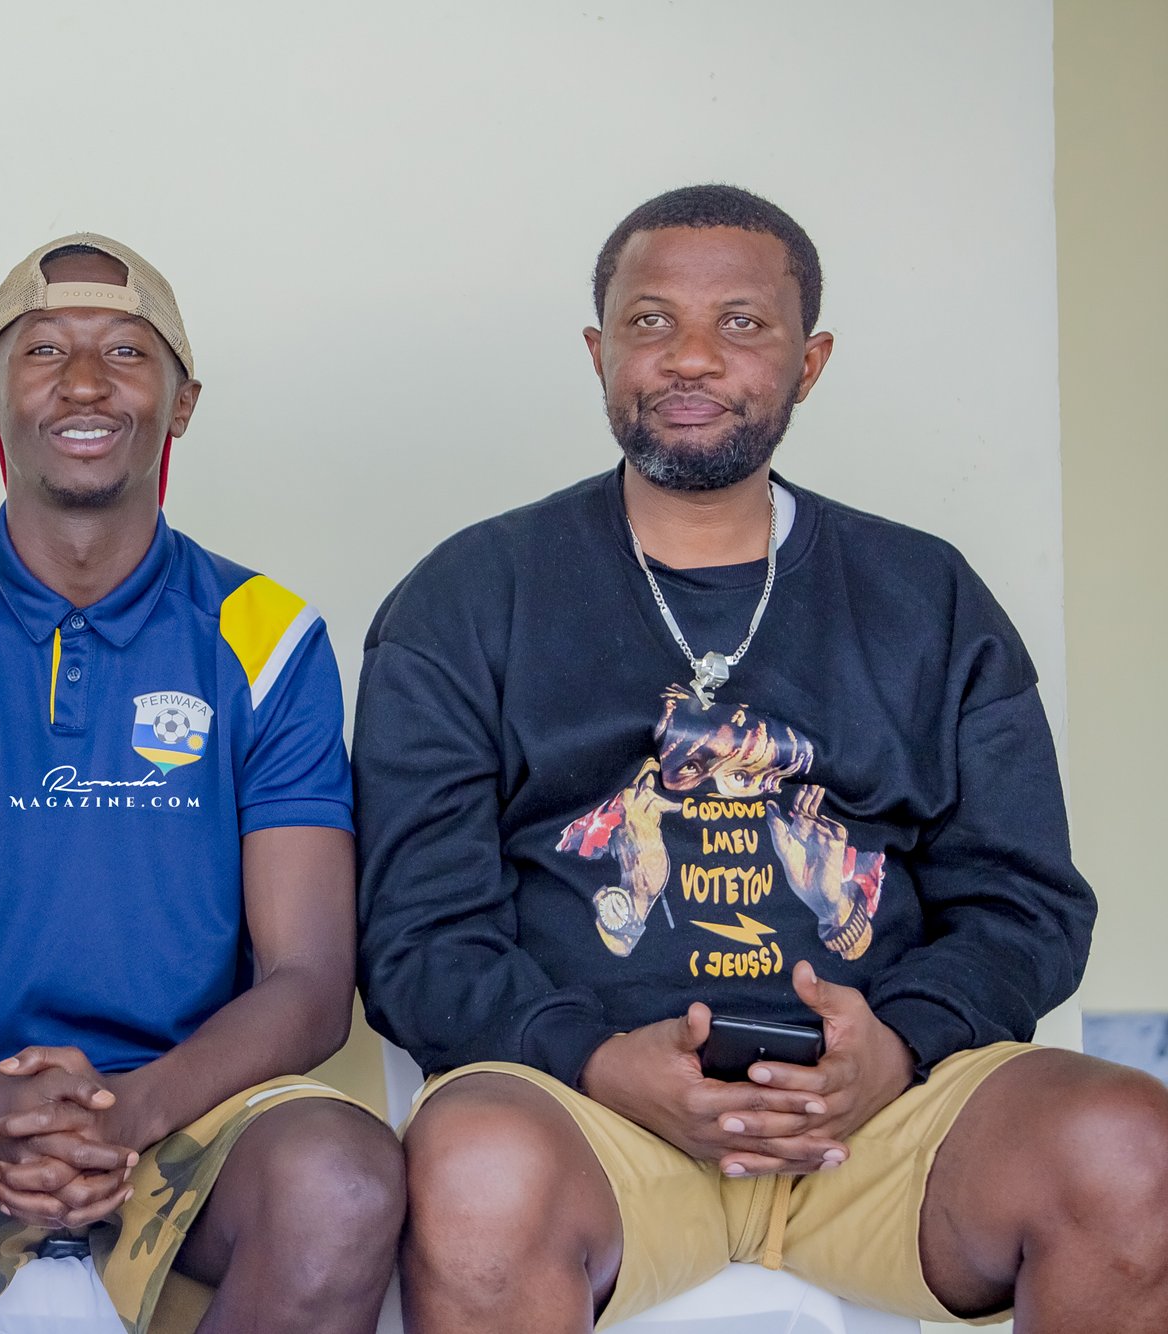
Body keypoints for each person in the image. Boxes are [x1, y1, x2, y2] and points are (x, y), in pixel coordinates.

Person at [355, 184, 1168, 1331]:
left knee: (1129, 1142)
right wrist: (594, 1059)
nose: (690, 356)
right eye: (648, 321)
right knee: (477, 1169)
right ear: (596, 351)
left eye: (739, 322)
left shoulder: (925, 596)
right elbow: (416, 932)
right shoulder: (467, 597)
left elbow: (1025, 903)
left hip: (885, 1124)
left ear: (808, 361)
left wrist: (897, 1044)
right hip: (589, 1124)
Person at [0, 234, 404, 1333]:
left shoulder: (268, 635)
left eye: (128, 352)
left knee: (341, 1179)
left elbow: (308, 980)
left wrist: (130, 1112)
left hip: (195, 1109)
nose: (87, 382)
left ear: (182, 403)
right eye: (44, 349)